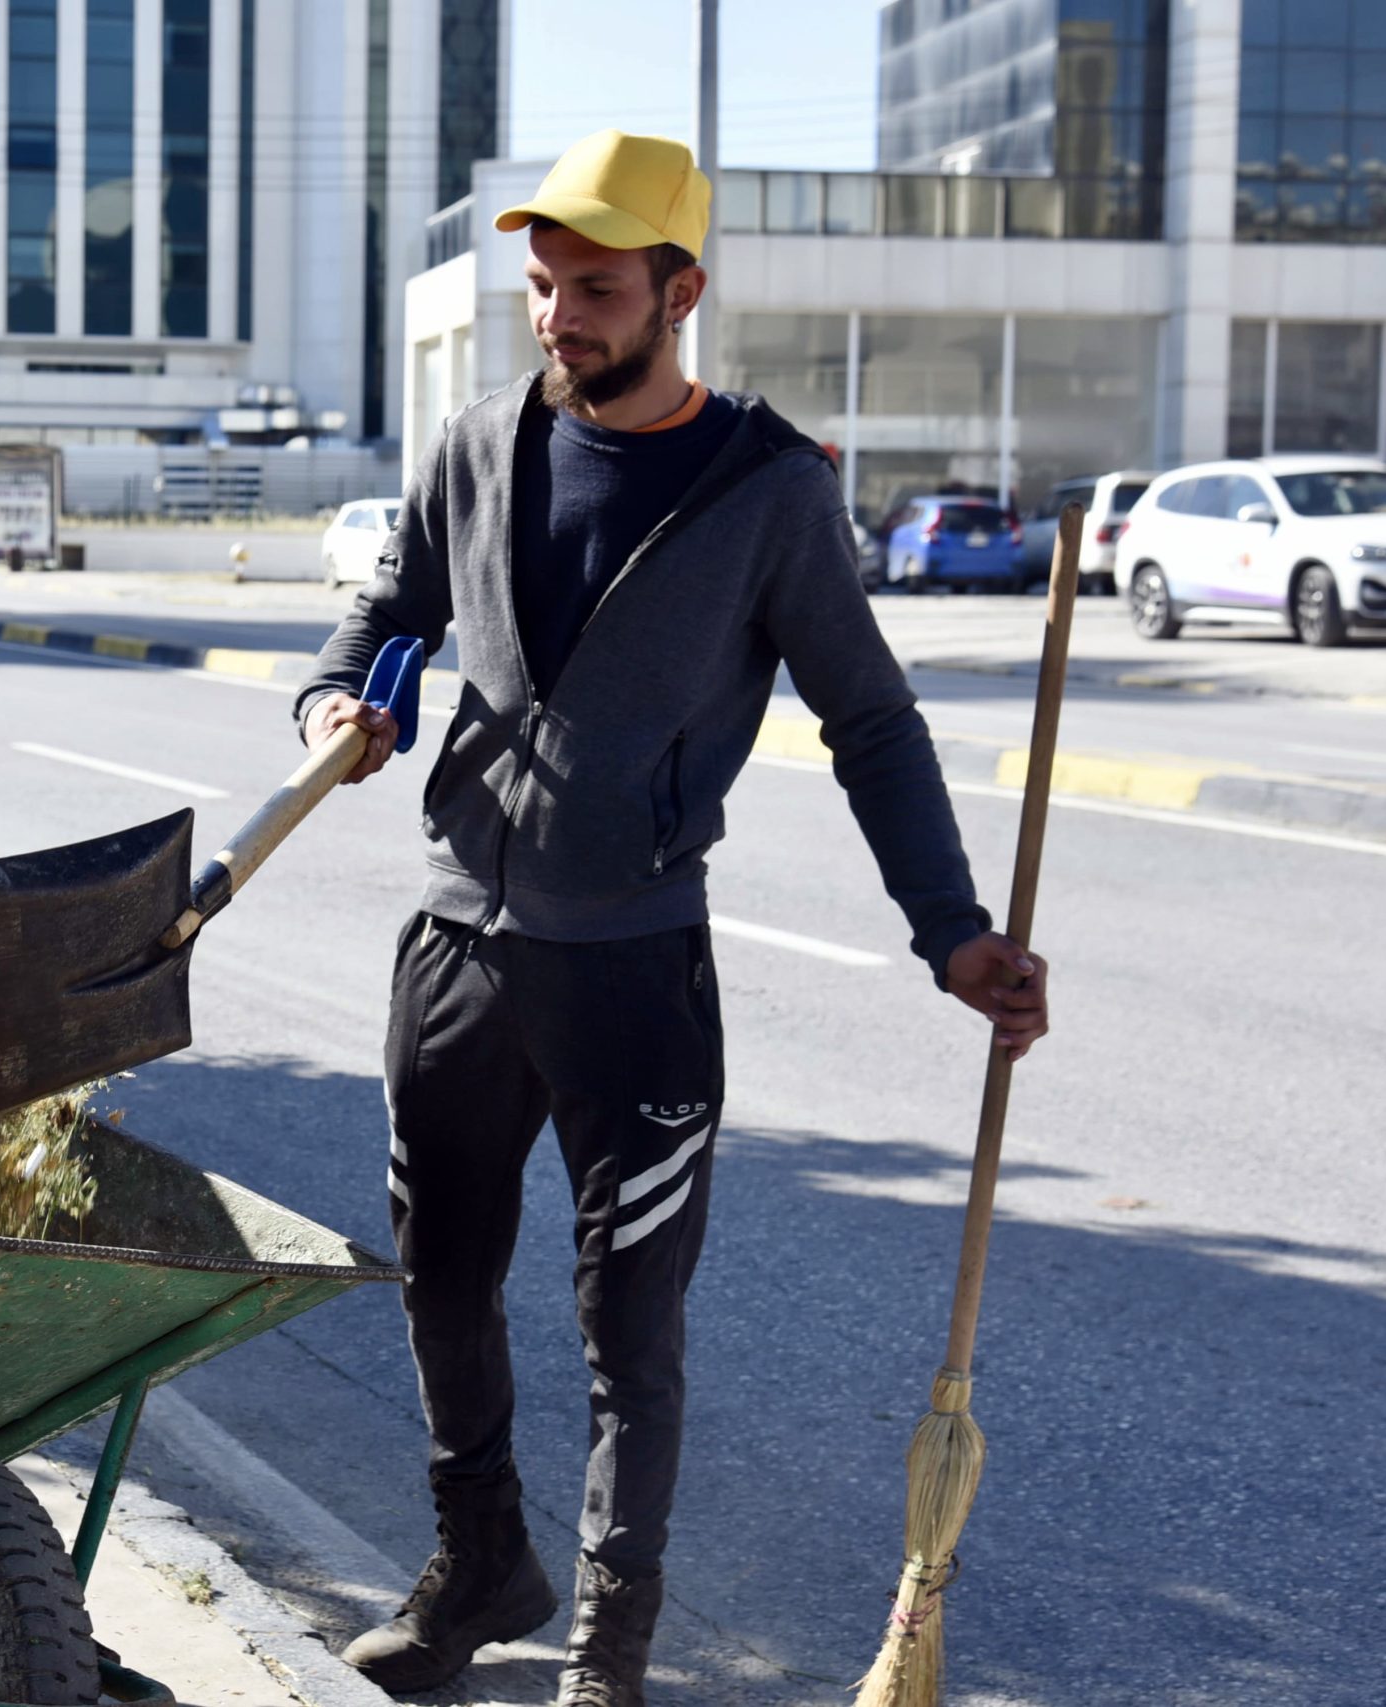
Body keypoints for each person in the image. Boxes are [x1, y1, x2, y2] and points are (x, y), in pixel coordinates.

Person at [296, 131, 1051, 1707]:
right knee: (438, 1276)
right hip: (454, 949)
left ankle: (607, 1653)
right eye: (546, 284)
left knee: (627, 1325)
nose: (558, 316)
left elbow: (875, 722)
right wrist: (332, 697)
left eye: (595, 289)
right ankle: (475, 1562)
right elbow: (390, 604)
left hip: (635, 967)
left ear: (680, 292)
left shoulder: (768, 492)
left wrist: (951, 929)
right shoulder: (478, 439)